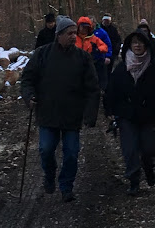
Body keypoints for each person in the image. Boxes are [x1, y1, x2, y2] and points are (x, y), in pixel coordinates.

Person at [21, 16, 100, 202]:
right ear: (59, 35)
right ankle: (49, 175)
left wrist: (90, 114)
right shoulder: (42, 54)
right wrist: (29, 96)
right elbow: (27, 79)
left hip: (72, 114)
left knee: (71, 153)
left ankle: (66, 187)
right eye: (69, 33)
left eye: (74, 33)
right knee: (46, 149)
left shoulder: (83, 58)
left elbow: (93, 88)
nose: (73, 36)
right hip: (47, 112)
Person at [104, 30, 155, 196]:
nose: (137, 45)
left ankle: (148, 166)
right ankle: (134, 180)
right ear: (129, 45)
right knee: (129, 149)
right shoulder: (121, 69)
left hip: (148, 115)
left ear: (146, 45)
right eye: (134, 42)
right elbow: (111, 91)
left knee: (148, 149)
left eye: (141, 42)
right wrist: (109, 109)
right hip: (127, 116)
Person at [75, 16, 111, 91]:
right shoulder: (74, 38)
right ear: (79, 27)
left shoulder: (93, 38)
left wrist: (98, 49)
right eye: (83, 27)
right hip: (76, 63)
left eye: (86, 27)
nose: (84, 29)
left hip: (91, 63)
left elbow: (105, 47)